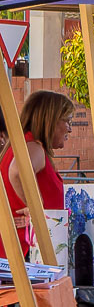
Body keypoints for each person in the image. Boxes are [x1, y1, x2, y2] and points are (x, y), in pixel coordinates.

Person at [3, 90, 74, 256]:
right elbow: (17, 172)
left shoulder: (22, 146)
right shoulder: (33, 147)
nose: (69, 129)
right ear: (51, 120)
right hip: (27, 248)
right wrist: (36, 210)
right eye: (68, 121)